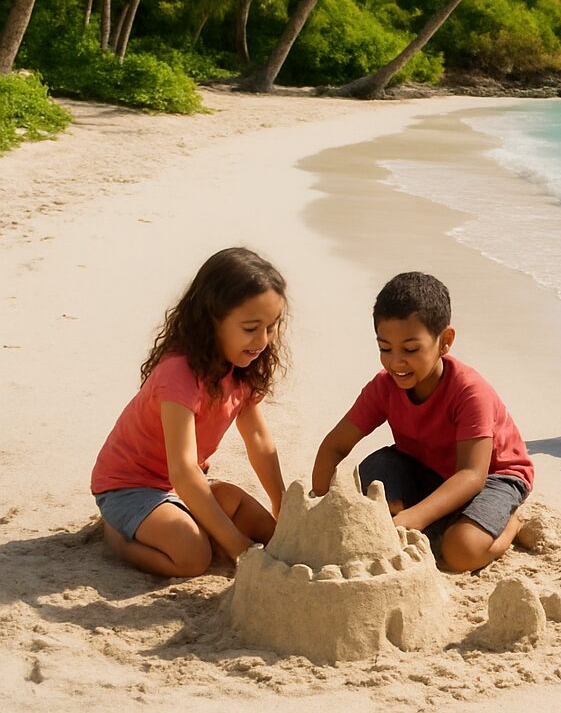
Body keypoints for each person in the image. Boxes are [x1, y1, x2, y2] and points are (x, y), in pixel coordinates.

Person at [312, 272, 534, 573]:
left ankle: (510, 524)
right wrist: (318, 506)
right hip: (424, 466)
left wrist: (412, 518)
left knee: (459, 553)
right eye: (385, 348)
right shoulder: (383, 386)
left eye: (411, 349)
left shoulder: (469, 391)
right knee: (377, 492)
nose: (396, 362)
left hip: (493, 476)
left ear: (445, 341)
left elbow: (472, 474)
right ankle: (435, 517)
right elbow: (335, 445)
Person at [91, 247, 289, 577]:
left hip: (179, 486)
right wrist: (238, 546)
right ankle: (117, 536)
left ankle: (175, 522)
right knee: (192, 557)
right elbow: (183, 470)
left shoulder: (241, 369)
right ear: (212, 321)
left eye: (271, 326)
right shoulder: (178, 374)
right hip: (129, 486)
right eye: (251, 327)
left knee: (266, 530)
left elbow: (258, 439)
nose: (263, 340)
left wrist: (281, 502)